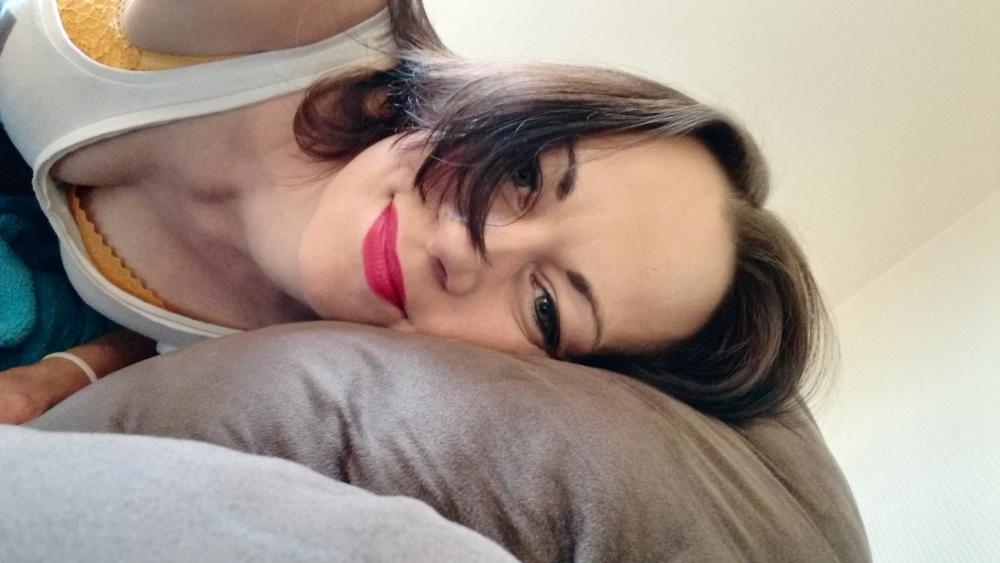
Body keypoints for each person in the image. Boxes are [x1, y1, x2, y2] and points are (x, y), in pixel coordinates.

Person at [0, 0, 831, 424]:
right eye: (524, 172)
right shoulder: (324, 24)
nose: (470, 249)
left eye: (546, 306)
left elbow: (155, 343)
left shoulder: (308, 370)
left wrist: (69, 371)